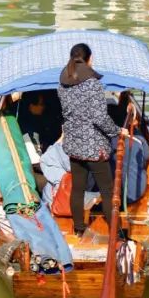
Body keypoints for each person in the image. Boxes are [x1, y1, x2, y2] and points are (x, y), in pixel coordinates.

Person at [57, 42, 119, 236]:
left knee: (78, 188)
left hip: (74, 144)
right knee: (107, 191)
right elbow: (100, 118)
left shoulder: (62, 82)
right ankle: (115, 233)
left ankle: (78, 229)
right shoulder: (93, 84)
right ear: (89, 59)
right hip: (93, 146)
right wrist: (117, 131)